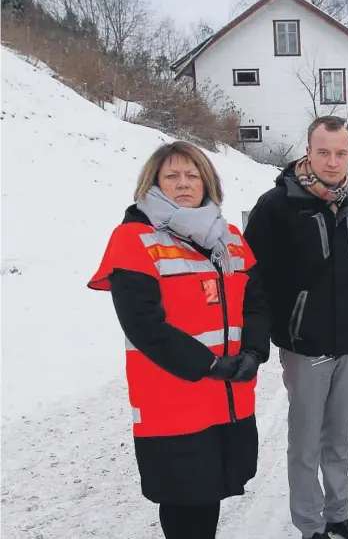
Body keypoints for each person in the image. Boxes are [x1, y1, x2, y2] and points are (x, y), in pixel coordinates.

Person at [88, 141, 270, 539]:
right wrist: (206, 364)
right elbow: (143, 324)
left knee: (211, 493)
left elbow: (256, 302)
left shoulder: (231, 237)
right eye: (171, 176)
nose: (183, 184)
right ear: (153, 183)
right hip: (174, 396)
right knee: (184, 497)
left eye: (193, 175)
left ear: (207, 183)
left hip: (228, 394)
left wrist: (255, 351)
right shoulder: (134, 238)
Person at [244, 116, 348, 539]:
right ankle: (311, 524)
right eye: (323, 152)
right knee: (305, 444)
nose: (332, 162)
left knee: (339, 439)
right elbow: (253, 275)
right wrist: (265, 331)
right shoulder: (277, 204)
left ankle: (339, 514)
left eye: (340, 153)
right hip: (305, 345)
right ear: (308, 152)